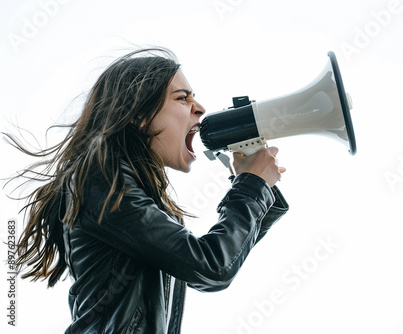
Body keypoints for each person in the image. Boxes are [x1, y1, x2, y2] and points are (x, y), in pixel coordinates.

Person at [8, 47, 289, 333]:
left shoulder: (116, 184)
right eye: (182, 98)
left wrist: (257, 187)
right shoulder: (101, 178)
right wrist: (253, 185)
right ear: (139, 114)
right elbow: (212, 267)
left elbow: (219, 261)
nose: (200, 108)